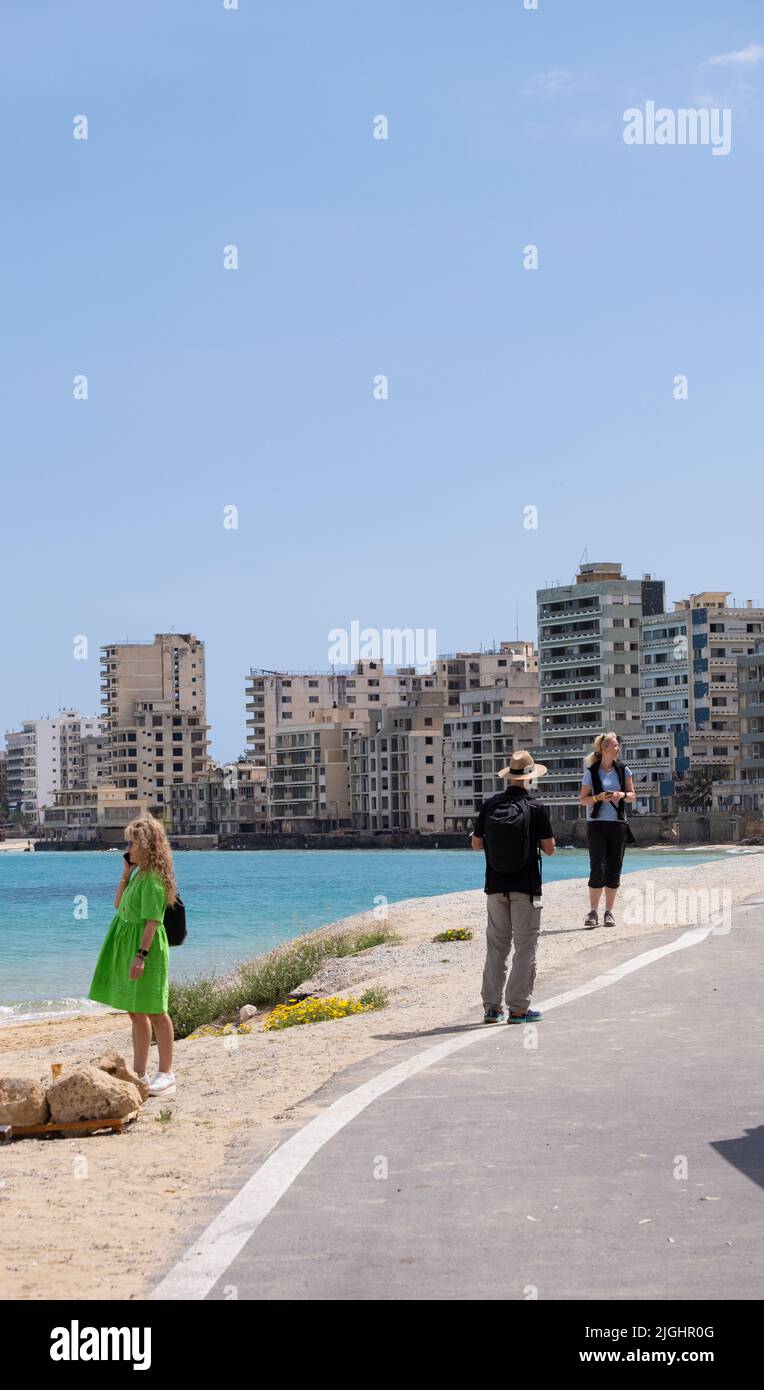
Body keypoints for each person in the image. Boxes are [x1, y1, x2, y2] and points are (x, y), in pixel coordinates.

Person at [89, 814, 178, 1097]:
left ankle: (167, 1073)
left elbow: (153, 921)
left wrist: (141, 955)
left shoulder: (152, 880)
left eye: (133, 843)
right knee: (135, 1011)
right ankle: (139, 1074)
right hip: (127, 943)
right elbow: (118, 904)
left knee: (155, 1010)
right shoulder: (138, 874)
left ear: (147, 846)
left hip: (145, 947)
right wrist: (125, 874)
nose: (128, 848)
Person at [471, 750, 555, 1024]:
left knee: (496, 946)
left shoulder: (490, 805)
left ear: (509, 776)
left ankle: (491, 1008)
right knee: (525, 946)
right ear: (530, 778)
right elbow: (550, 849)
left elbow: (476, 843)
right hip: (526, 887)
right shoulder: (536, 808)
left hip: (495, 886)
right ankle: (518, 1008)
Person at [580, 732, 636, 929]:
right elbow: (583, 799)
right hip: (596, 824)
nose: (617, 748)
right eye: (614, 745)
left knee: (614, 868)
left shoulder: (624, 770)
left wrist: (620, 794)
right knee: (597, 868)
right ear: (604, 749)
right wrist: (598, 798)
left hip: (618, 824)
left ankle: (608, 912)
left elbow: (631, 795)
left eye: (617, 745)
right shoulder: (591, 772)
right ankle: (593, 911)